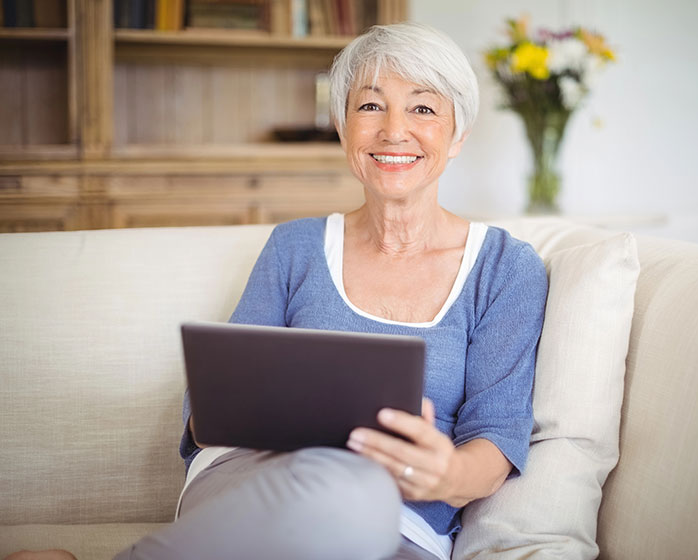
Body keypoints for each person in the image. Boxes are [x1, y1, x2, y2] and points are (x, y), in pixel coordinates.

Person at [8, 22, 547, 560]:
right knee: (342, 484)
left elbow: (496, 438)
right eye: (370, 106)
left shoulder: (505, 268)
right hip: (251, 479)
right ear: (342, 127)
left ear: (458, 136)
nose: (393, 131)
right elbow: (205, 414)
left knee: (360, 496)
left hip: (401, 522)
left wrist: (445, 473)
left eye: (423, 109)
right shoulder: (294, 247)